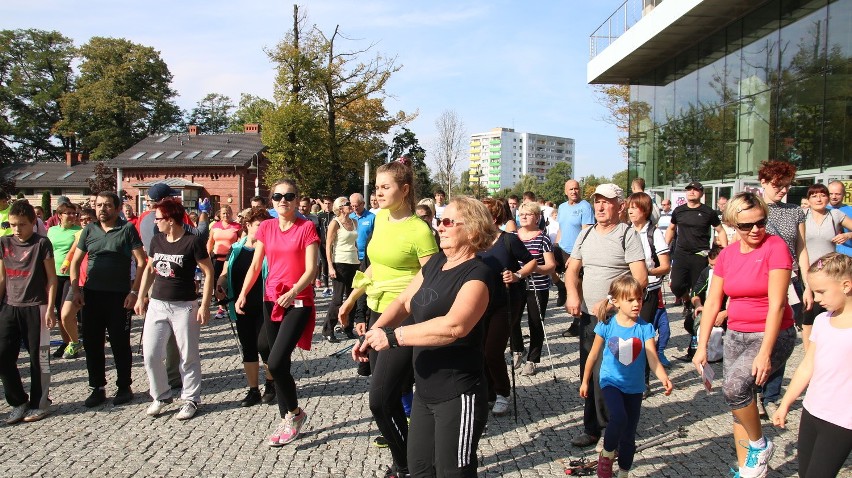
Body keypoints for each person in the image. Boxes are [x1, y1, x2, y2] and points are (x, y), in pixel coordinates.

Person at [355, 196, 495, 477]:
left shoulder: (480, 273)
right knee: (419, 468)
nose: (439, 227)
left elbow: (455, 326)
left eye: (447, 221)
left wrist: (394, 337)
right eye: (439, 221)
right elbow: (404, 301)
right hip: (425, 391)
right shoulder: (436, 263)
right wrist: (374, 332)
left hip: (459, 393)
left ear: (472, 229)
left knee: (452, 472)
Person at [340, 160, 438, 477]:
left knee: (379, 400)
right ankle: (411, 461)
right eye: (377, 186)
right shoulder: (380, 218)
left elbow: (431, 279)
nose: (378, 193)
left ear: (405, 189)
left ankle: (407, 465)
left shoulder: (420, 230)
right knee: (388, 397)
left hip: (406, 318)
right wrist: (352, 300)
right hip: (377, 310)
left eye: (385, 187)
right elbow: (374, 267)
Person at [692, 192, 796, 478]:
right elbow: (713, 302)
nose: (754, 230)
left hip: (771, 332)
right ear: (733, 226)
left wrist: (765, 353)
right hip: (736, 334)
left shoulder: (775, 247)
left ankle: (760, 445)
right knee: (739, 402)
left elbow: (777, 304)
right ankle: (750, 469)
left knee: (734, 388)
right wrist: (701, 346)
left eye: (760, 223)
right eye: (746, 225)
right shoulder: (727, 255)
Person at [236, 179, 319, 447]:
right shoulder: (267, 227)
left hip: (297, 302)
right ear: (271, 200)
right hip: (270, 299)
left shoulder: (306, 228)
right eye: (277, 196)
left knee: (275, 362)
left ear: (297, 200)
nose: (282, 200)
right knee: (267, 351)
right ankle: (287, 417)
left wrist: (294, 291)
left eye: (289, 195)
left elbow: (311, 270)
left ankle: (294, 414)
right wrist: (243, 293)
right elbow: (256, 264)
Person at [565, 183, 648, 449]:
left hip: (617, 320)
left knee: (613, 375)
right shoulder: (586, 234)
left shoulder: (627, 235)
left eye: (607, 201)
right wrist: (572, 295)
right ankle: (591, 428)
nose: (600, 206)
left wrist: (613, 302)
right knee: (589, 372)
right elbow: (571, 270)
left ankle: (616, 429)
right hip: (589, 316)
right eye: (597, 201)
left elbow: (641, 279)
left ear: (621, 206)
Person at [580, 275, 673, 478]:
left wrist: (663, 377)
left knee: (629, 435)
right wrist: (586, 380)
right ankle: (606, 455)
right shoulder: (606, 325)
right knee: (619, 417)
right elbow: (593, 354)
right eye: (630, 300)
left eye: (638, 299)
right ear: (616, 301)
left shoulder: (645, 328)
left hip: (635, 386)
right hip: (611, 381)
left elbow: (652, 357)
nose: (636, 304)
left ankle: (623, 472)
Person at [772, 252, 852, 477]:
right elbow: (808, 365)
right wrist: (785, 403)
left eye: (821, 292)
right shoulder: (821, 321)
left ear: (845, 285)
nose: (816, 299)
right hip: (812, 410)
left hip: (843, 419)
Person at [134, 198, 214, 420]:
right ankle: (161, 395)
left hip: (184, 306)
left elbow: (208, 272)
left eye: (158, 218)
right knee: (150, 354)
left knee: (187, 355)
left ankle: (190, 398)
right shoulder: (157, 240)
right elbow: (150, 268)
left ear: (170, 220)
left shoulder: (192, 242)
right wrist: (141, 295)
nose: (154, 222)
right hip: (158, 304)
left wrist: (205, 304)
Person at [69, 192, 147, 408]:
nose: (102, 209)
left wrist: (134, 292)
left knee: (120, 343)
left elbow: (141, 261)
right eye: (99, 205)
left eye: (107, 205)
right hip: (92, 294)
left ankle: (124, 385)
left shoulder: (127, 229)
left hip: (118, 297)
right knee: (93, 343)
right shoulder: (89, 229)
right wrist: (76, 290)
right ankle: (97, 387)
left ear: (117, 207)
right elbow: (75, 261)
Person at [756, 160, 811, 418]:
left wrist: (807, 285)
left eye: (787, 186)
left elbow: (801, 249)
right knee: (758, 337)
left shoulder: (795, 212)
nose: (783, 191)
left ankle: (771, 394)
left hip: (789, 282)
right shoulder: (753, 209)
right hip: (760, 281)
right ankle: (754, 389)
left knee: (783, 337)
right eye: (778, 186)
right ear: (764, 182)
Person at [0, 200, 57, 423]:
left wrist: (51, 308)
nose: (17, 229)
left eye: (22, 225)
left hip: (37, 306)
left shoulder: (42, 243)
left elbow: (52, 278)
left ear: (33, 223)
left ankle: (40, 403)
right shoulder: (4, 243)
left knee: (39, 358)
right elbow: (3, 276)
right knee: (3, 356)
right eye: (13, 225)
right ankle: (18, 401)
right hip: (10, 306)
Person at [478, 197, 536, 416]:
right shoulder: (475, 240)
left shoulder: (509, 239)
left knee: (492, 349)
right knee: (479, 348)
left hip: (507, 301)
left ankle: (503, 392)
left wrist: (517, 275)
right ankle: (488, 392)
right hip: (481, 301)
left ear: (493, 218)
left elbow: (531, 262)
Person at [217, 207, 276, 406]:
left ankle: (271, 383)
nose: (261, 230)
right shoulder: (235, 249)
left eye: (264, 226)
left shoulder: (270, 249)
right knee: (248, 348)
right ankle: (253, 390)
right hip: (241, 305)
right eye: (258, 226)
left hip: (265, 304)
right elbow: (226, 271)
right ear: (248, 226)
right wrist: (221, 283)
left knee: (264, 346)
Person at [665, 181, 727, 353]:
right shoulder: (679, 211)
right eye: (689, 190)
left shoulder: (708, 212)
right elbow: (671, 229)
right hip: (681, 253)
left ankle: (698, 339)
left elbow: (720, 230)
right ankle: (686, 301)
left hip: (700, 254)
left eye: (695, 190)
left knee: (699, 291)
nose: (691, 192)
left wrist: (725, 250)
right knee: (675, 285)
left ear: (701, 193)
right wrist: (663, 247)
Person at [802, 183, 852, 349]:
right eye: (814, 195)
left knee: (829, 311)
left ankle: (829, 349)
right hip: (806, 271)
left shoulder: (835, 214)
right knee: (808, 314)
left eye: (823, 195)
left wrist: (847, 234)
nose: (819, 199)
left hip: (829, 273)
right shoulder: (802, 215)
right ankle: (809, 354)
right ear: (808, 200)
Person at [626, 192, 671, 366]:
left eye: (634, 207)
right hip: (627, 290)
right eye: (629, 207)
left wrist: (646, 272)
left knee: (642, 335)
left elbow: (666, 266)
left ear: (644, 210)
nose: (630, 211)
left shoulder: (654, 233)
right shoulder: (625, 231)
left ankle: (643, 380)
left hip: (648, 291)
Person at [510, 201, 555, 376]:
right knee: (512, 320)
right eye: (521, 215)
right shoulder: (513, 236)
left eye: (528, 214)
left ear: (537, 217)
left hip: (538, 285)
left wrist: (533, 268)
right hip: (517, 283)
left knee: (535, 323)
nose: (524, 217)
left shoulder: (542, 238)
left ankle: (532, 360)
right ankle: (517, 350)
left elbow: (551, 266)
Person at [557, 179, 595, 330]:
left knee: (578, 285)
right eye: (571, 189)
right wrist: (556, 245)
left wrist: (580, 255)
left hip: (577, 252)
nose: (574, 191)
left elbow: (587, 232)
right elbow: (561, 228)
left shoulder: (585, 207)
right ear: (565, 192)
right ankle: (560, 288)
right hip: (563, 249)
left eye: (576, 189)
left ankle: (578, 321)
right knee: (567, 283)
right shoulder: (562, 207)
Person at [47, 203, 82, 359]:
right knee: (58, 311)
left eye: (74, 213)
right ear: (59, 215)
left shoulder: (79, 231)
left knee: (65, 312)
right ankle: (66, 342)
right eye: (68, 213)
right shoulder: (52, 230)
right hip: (53, 274)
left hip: (71, 276)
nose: (72, 216)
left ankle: (74, 342)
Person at [322, 197, 360, 342]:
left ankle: (347, 327)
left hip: (354, 262)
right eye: (347, 204)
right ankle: (328, 329)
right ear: (340, 207)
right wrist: (330, 266)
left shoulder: (354, 221)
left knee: (353, 297)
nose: (351, 206)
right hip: (339, 262)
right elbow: (328, 246)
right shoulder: (335, 223)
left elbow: (354, 242)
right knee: (338, 299)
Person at [208, 205, 242, 320]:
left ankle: (233, 304)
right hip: (217, 258)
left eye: (228, 213)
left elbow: (241, 241)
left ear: (231, 213)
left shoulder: (237, 227)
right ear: (219, 215)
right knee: (218, 283)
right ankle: (221, 307)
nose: (225, 215)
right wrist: (207, 255)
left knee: (232, 281)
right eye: (223, 213)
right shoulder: (215, 227)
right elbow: (210, 242)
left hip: (231, 259)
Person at [827, 180, 852, 256]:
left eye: (838, 194)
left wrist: (849, 235)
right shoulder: (820, 210)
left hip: (848, 255)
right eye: (831, 194)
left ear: (844, 194)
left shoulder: (850, 210)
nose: (834, 197)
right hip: (827, 255)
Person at [316, 196, 335, 297]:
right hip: (322, 244)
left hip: (333, 244)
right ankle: (326, 286)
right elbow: (317, 230)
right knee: (324, 264)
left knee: (333, 264)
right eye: (326, 203)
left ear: (332, 204)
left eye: (329, 204)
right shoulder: (320, 216)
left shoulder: (335, 215)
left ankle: (334, 286)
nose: (327, 206)